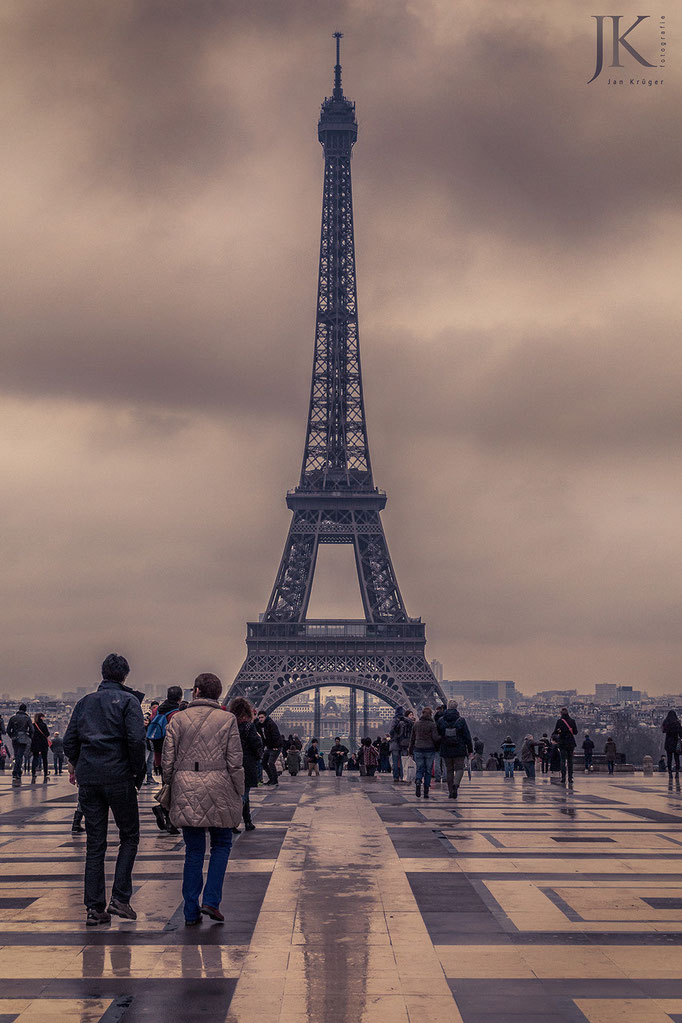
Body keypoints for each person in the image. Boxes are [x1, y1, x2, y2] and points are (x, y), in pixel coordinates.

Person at [63, 653, 146, 927]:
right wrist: (137, 771)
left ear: (103, 674)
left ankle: (94, 908)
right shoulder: (129, 701)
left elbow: (69, 741)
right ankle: (120, 897)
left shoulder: (84, 702)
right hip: (119, 776)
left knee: (94, 844)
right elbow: (136, 740)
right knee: (130, 837)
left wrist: (79, 764)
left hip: (90, 779)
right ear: (125, 676)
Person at [163, 673, 244, 926]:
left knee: (194, 851)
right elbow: (235, 761)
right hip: (220, 787)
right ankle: (211, 901)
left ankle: (190, 911)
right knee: (221, 845)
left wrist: (170, 784)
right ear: (218, 694)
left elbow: (167, 761)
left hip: (187, 788)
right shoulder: (228, 718)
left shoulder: (178, 719)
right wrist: (239, 791)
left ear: (196, 691)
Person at [148, 687, 184, 835]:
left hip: (160, 756)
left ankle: (165, 814)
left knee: (166, 786)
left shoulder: (158, 711)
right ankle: (168, 818)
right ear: (179, 698)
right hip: (173, 758)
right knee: (174, 791)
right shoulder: (176, 714)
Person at [227, 697, 262, 834]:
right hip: (246, 763)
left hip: (232, 763)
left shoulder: (230, 725)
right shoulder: (248, 726)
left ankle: (246, 821)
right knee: (244, 794)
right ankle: (235, 822)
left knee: (239, 794)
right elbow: (256, 745)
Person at [437, 700, 473, 799]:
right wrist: (470, 750)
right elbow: (467, 736)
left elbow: (437, 736)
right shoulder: (461, 720)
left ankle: (450, 792)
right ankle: (456, 784)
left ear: (447, 707)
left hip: (446, 748)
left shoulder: (441, 720)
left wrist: (438, 747)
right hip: (459, 749)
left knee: (449, 770)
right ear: (456, 707)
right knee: (459, 769)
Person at [408, 706, 440, 799]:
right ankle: (426, 791)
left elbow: (412, 739)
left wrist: (410, 750)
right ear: (430, 714)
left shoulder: (416, 724)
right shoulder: (432, 725)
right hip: (429, 749)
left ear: (422, 714)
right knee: (428, 771)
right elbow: (435, 738)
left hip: (418, 749)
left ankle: (418, 781)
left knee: (419, 769)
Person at [7, 703, 34, 787]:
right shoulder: (27, 718)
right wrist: (29, 737)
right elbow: (32, 729)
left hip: (15, 737)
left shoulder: (13, 718)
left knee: (16, 754)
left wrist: (12, 736)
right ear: (25, 710)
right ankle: (16, 772)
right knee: (20, 755)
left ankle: (17, 772)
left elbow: (8, 729)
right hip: (23, 738)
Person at [255, 711, 282, 786]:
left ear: (265, 717)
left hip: (276, 746)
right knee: (263, 763)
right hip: (269, 746)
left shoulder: (271, 724)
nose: (260, 719)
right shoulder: (258, 725)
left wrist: (276, 746)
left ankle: (275, 780)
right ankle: (271, 779)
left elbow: (275, 736)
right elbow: (262, 737)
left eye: (262, 717)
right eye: (259, 717)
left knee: (271, 762)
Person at [553, 707, 578, 786]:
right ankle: (570, 778)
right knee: (570, 761)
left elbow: (555, 732)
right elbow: (575, 732)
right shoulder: (572, 721)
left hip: (562, 743)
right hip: (570, 742)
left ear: (561, 713)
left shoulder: (559, 722)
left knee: (563, 760)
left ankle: (563, 777)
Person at [389, 707, 412, 783]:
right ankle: (403, 776)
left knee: (395, 762)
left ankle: (396, 777)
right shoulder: (406, 720)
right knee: (403, 762)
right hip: (403, 744)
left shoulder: (395, 720)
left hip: (395, 743)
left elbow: (391, 731)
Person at [661, 710, 682, 779]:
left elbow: (663, 731)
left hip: (668, 742)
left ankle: (670, 772)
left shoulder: (666, 722)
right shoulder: (677, 723)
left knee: (669, 759)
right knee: (677, 758)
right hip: (676, 743)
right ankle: (677, 772)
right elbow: (681, 734)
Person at [31, 713, 50, 783]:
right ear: (41, 717)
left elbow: (31, 733)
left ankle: (33, 773)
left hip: (35, 743)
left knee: (35, 758)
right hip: (43, 743)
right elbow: (47, 734)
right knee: (45, 759)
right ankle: (45, 772)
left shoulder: (33, 725)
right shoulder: (44, 725)